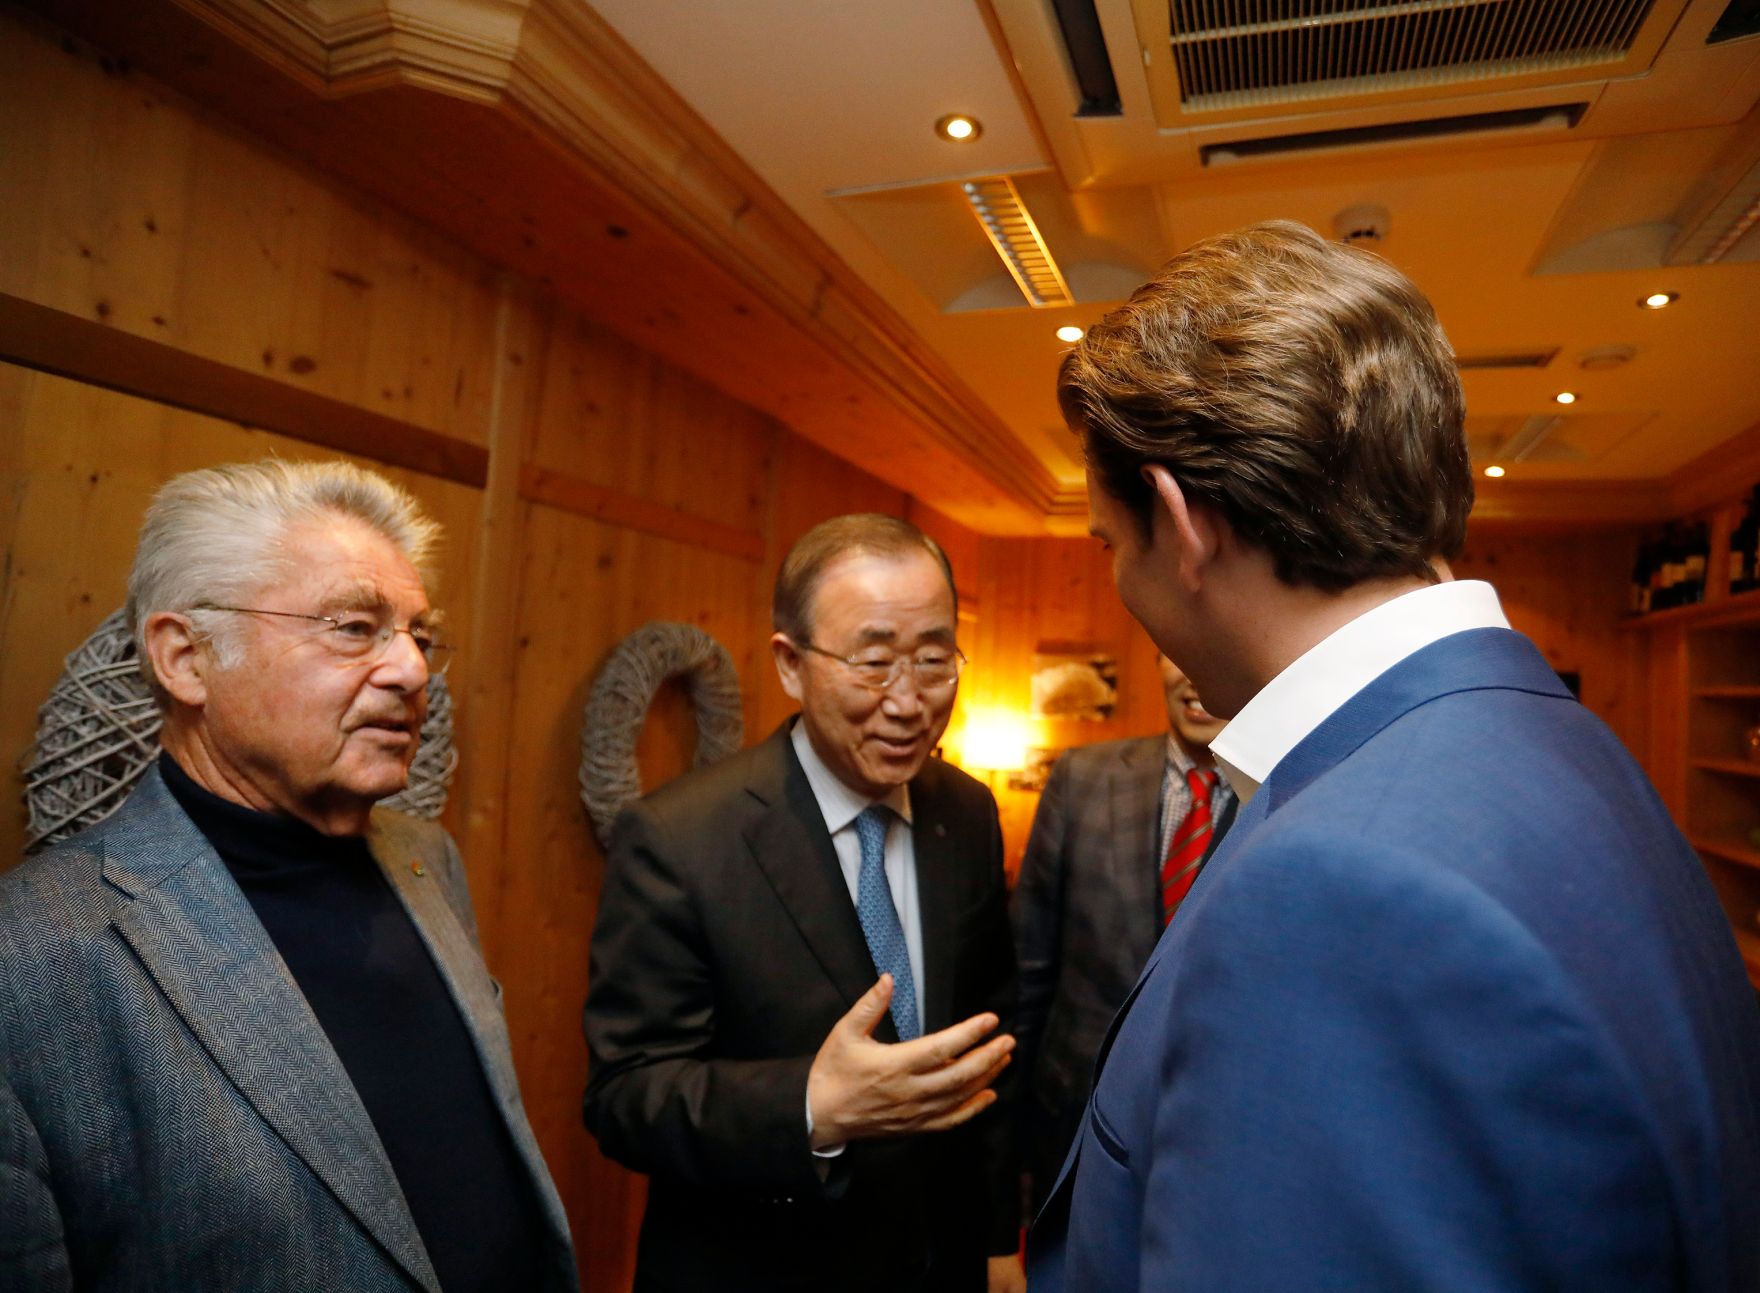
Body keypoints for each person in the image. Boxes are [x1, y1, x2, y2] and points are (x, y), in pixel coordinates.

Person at [1027, 222, 1760, 1290]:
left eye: (1106, 545)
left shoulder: (1336, 895)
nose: (1120, 587)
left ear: (1182, 527)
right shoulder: (1554, 735)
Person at [0, 460, 578, 1292]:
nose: (412, 670)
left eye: (419, 633)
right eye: (353, 626)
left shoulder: (429, 860)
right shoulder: (35, 955)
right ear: (186, 658)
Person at [583, 514, 1022, 1293]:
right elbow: (627, 1095)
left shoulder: (967, 813)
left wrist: (993, 1240)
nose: (910, 701)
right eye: (875, 661)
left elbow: (986, 1035)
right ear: (791, 664)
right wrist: (811, 1103)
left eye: (933, 660)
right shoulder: (680, 838)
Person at [1012, 653, 1233, 1212]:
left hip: (1212, 1144)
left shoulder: (1292, 800)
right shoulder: (1080, 779)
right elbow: (1025, 979)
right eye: (1173, 650)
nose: (1193, 669)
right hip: (1070, 1127)